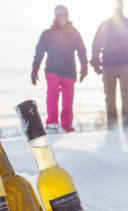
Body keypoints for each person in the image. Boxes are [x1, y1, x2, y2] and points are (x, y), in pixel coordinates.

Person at [31, 5, 88, 133]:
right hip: (52, 70)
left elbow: (81, 50)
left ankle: (66, 126)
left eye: (66, 15)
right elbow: (39, 52)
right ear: (56, 17)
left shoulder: (74, 33)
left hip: (69, 71)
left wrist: (84, 66)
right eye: (61, 15)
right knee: (53, 94)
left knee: (68, 101)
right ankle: (52, 123)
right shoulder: (48, 34)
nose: (64, 17)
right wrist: (35, 69)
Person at [90, 0, 128, 131]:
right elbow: (96, 43)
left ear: (122, 6)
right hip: (108, 66)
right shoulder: (104, 24)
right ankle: (112, 125)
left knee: (126, 95)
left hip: (125, 65)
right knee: (110, 97)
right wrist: (95, 62)